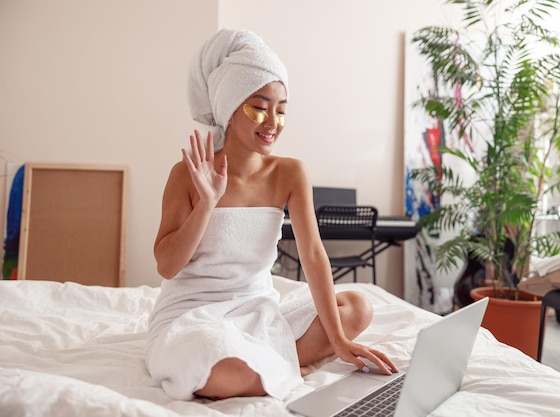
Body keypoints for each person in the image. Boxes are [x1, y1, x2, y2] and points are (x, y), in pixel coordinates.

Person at [145, 28, 397, 402]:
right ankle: (293, 364)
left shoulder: (290, 173)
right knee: (228, 371)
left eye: (281, 110)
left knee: (358, 308)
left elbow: (312, 254)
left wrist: (339, 341)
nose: (272, 122)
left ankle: (272, 364)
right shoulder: (188, 173)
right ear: (229, 109)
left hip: (259, 311)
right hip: (194, 316)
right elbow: (166, 266)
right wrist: (207, 202)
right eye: (258, 107)